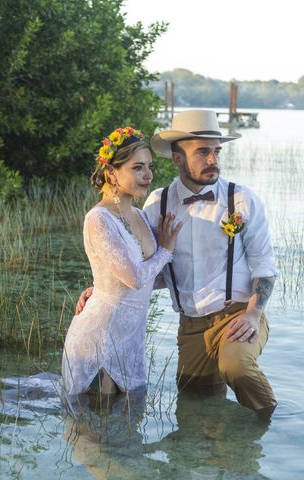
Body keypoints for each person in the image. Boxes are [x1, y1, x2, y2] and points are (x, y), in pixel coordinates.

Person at [77, 110, 278, 418]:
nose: (213, 160)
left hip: (238, 313)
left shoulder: (242, 200)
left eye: (216, 151)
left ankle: (269, 425)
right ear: (178, 158)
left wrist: (254, 314)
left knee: (236, 368)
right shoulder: (158, 203)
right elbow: (154, 269)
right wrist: (105, 287)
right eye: (202, 152)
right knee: (192, 406)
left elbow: (265, 266)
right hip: (191, 326)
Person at [62, 126, 182, 398]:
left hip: (129, 340)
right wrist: (166, 249)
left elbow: (150, 280)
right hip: (99, 338)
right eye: (137, 168)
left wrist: (102, 288)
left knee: (126, 431)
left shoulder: (140, 216)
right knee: (94, 432)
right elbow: (136, 278)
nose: (148, 175)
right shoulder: (99, 219)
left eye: (149, 166)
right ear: (112, 172)